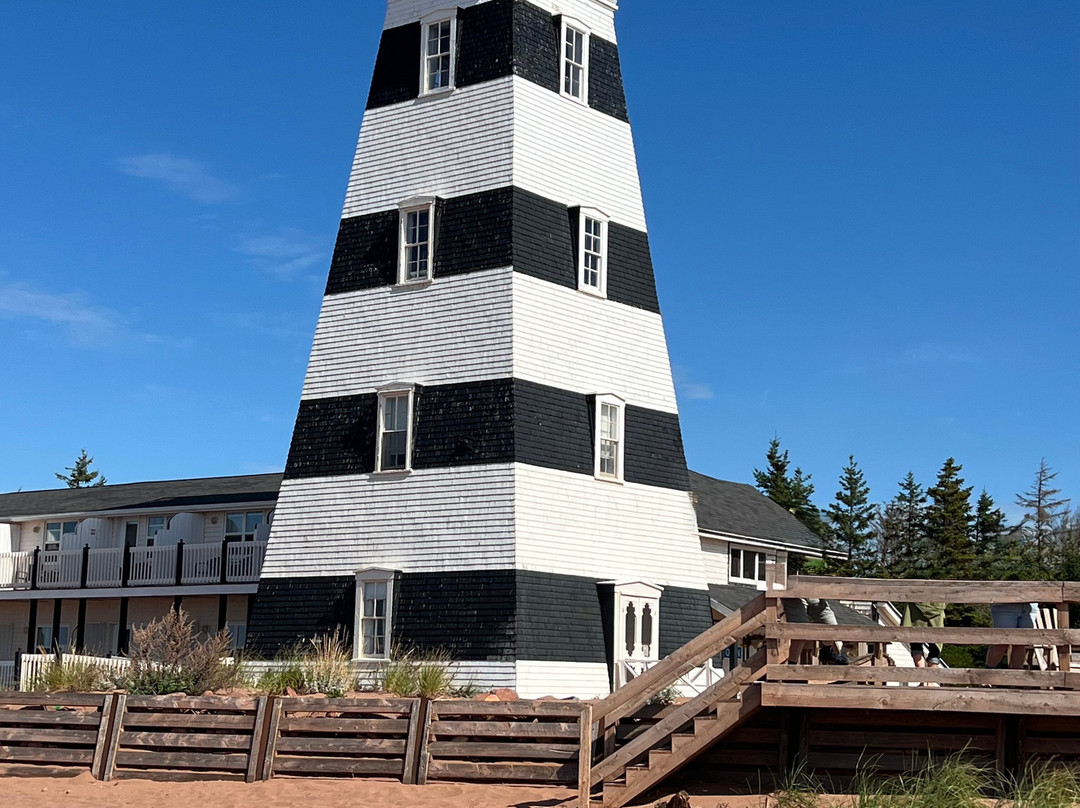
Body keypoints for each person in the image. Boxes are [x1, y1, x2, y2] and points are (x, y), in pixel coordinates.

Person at [782, 597, 850, 665]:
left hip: (811, 591)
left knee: (831, 625)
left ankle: (827, 652)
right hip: (793, 593)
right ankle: (791, 665)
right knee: (801, 630)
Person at [986, 602, 1039, 669]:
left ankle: (1016, 675)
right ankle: (988, 673)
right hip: (1005, 605)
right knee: (1001, 642)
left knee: (1021, 644)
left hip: (1026, 606)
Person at [903, 601, 945, 683]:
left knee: (915, 643)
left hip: (915, 604)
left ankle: (923, 681)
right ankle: (930, 682)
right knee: (935, 647)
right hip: (937, 606)